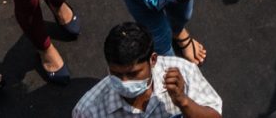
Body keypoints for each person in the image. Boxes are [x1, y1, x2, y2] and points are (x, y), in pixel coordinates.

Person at [82, 19, 224, 118]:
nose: (124, 82)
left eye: (133, 74)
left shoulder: (184, 71)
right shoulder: (89, 111)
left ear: (153, 60)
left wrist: (183, 101)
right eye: (116, 74)